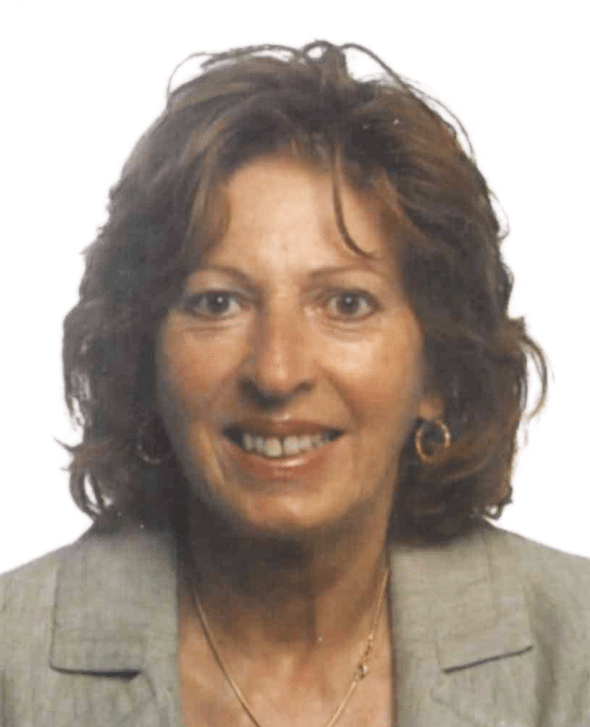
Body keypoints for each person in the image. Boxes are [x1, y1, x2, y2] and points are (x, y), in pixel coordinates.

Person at [1, 41, 589, 727]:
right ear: (144, 356)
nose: (277, 372)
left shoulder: (573, 654)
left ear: (438, 366)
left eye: (346, 304)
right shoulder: (13, 668)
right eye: (217, 303)